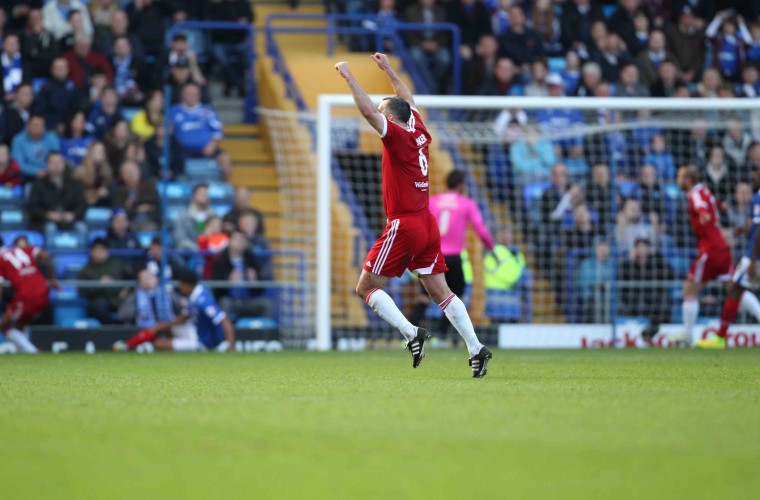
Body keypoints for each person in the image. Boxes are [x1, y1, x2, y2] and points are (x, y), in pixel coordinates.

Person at [335, 53, 492, 377]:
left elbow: (367, 110)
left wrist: (349, 76)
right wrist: (390, 70)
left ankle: (411, 333)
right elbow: (408, 100)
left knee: (365, 288)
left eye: (383, 113)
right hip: (426, 223)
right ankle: (476, 349)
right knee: (441, 292)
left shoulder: (397, 136)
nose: (379, 115)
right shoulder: (419, 132)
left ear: (391, 119)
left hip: (404, 223)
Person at [675, 165, 760, 348]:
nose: (678, 181)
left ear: (688, 181)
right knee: (735, 289)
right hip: (722, 248)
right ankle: (718, 336)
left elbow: (702, 207)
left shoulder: (695, 194)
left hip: (710, 250)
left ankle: (688, 335)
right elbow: (715, 205)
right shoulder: (705, 190)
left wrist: (703, 214)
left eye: (680, 178)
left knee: (689, 291)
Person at [409, 170, 495, 341]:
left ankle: (408, 334)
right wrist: (492, 247)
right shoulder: (467, 204)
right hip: (453, 259)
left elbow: (419, 224)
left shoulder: (433, 201)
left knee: (424, 296)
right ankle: (440, 337)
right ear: (461, 184)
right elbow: (481, 229)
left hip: (432, 255)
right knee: (455, 296)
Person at [114, 269, 236, 352]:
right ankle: (127, 345)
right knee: (159, 327)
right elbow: (183, 317)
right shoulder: (194, 296)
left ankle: (132, 345)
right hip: (194, 330)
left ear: (186, 285)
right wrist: (165, 326)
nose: (180, 288)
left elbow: (224, 321)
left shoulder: (203, 300)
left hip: (202, 342)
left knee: (158, 344)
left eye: (181, 285)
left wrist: (231, 346)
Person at [0, 237, 58, 353]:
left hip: (26, 295)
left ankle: (32, 351)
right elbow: (46, 255)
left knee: (4, 326)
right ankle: (24, 352)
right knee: (21, 323)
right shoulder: (21, 250)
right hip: (43, 290)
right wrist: (52, 279)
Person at [211, 230, 274, 320]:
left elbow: (261, 289)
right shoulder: (220, 262)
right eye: (237, 240)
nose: (239, 243)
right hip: (230, 300)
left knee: (266, 305)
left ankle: (262, 333)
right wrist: (228, 281)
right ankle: (228, 333)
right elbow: (216, 289)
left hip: (248, 300)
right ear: (229, 242)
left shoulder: (252, 261)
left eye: (242, 240)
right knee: (224, 303)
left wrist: (254, 281)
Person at [26, 151, 87, 241]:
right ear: (47, 164)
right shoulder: (38, 185)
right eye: (53, 162)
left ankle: (80, 253)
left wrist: (73, 214)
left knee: (82, 227)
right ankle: (50, 254)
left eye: (59, 162)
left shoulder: (74, 184)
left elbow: (82, 205)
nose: (57, 165)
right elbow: (32, 208)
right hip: (46, 221)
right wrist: (48, 215)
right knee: (50, 228)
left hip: (70, 221)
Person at [77, 237, 129, 324]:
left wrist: (126, 289)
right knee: (99, 306)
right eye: (97, 250)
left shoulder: (117, 263)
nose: (100, 252)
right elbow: (82, 291)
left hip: (120, 300)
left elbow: (131, 279)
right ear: (91, 252)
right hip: (100, 301)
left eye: (103, 250)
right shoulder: (86, 270)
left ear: (107, 251)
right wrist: (99, 285)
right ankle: (113, 327)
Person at [11, 114, 60, 181]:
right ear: (28, 126)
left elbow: (57, 158)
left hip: (49, 173)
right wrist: (36, 172)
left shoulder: (52, 138)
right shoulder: (18, 140)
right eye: (36, 125)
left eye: (41, 125)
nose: (38, 129)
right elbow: (17, 164)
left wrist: (48, 170)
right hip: (26, 176)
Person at [174, 183, 215, 251]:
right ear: (193, 196)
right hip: (188, 254)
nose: (205, 195)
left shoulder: (213, 216)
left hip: (209, 253)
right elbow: (180, 240)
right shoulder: (183, 217)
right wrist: (197, 248)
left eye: (206, 193)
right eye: (202, 193)